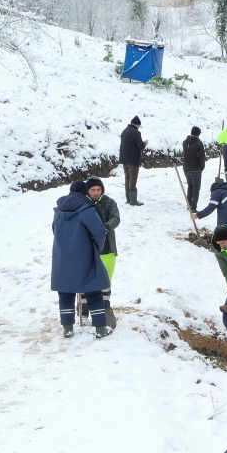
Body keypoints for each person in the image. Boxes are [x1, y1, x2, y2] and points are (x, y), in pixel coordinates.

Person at [50, 180, 111, 338]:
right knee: (93, 290)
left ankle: (68, 328)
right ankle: (100, 329)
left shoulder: (58, 211)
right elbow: (99, 232)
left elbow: (55, 230)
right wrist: (97, 247)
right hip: (84, 255)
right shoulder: (86, 209)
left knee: (65, 292)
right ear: (85, 192)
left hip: (62, 257)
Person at [82, 177, 120, 327]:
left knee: (106, 280)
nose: (96, 193)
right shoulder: (83, 204)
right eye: (93, 190)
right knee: (87, 280)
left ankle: (105, 308)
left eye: (99, 190)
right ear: (88, 191)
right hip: (89, 249)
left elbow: (115, 218)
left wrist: (103, 228)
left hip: (108, 248)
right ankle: (84, 310)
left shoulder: (109, 202)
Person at [119, 116, 146, 206]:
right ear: (136, 124)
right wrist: (144, 143)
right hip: (133, 159)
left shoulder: (124, 131)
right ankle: (133, 201)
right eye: (139, 126)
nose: (139, 127)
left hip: (124, 159)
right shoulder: (136, 133)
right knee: (133, 179)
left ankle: (128, 199)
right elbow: (140, 146)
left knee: (127, 178)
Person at [181, 126, 207, 212]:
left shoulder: (184, 142)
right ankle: (193, 207)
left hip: (186, 168)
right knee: (196, 189)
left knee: (190, 186)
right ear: (198, 134)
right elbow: (202, 157)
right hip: (196, 169)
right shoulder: (199, 143)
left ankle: (189, 204)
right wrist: (202, 167)